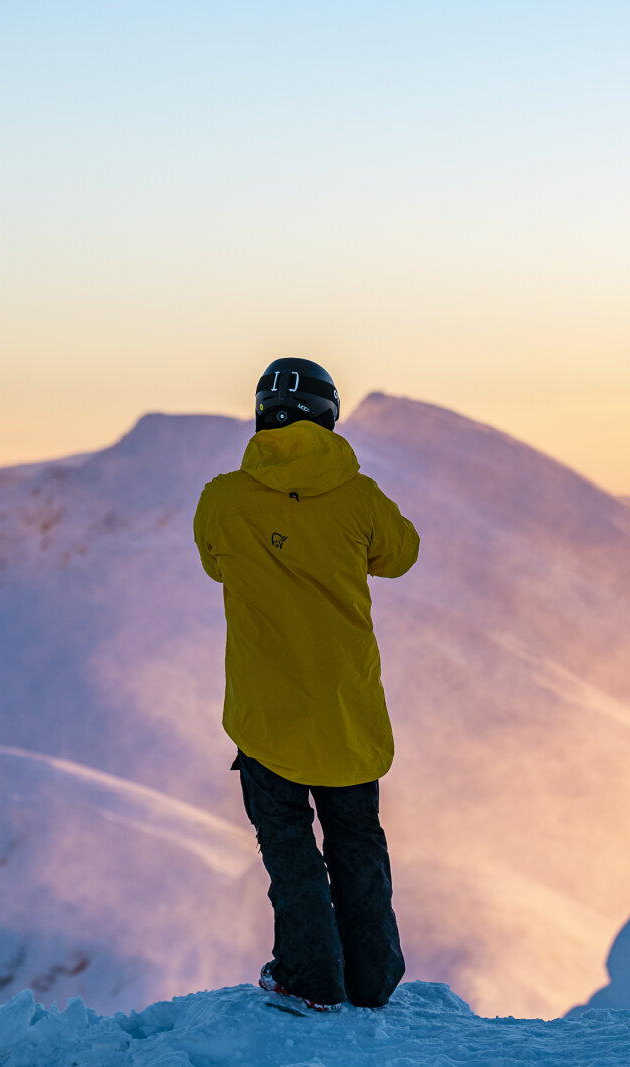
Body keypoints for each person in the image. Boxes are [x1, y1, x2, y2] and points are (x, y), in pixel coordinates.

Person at [192, 357, 419, 1010]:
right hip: (346, 713)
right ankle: (371, 980)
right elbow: (401, 554)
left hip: (266, 718)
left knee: (290, 851)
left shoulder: (222, 498)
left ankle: (308, 977)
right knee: (357, 844)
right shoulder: (359, 496)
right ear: (328, 415)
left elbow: (214, 563)